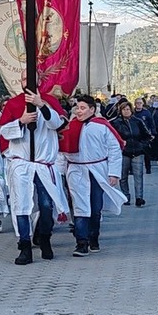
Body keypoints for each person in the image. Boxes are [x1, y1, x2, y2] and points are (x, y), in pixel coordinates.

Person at [0, 87, 69, 264]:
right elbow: (4, 131)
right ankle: (25, 247)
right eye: (23, 78)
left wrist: (41, 105)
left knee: (46, 205)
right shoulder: (14, 103)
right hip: (22, 165)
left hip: (43, 164)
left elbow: (58, 124)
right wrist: (21, 121)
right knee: (21, 206)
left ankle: (44, 238)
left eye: (29, 77)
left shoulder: (49, 101)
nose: (26, 81)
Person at [60, 95, 126, 256]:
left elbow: (114, 149)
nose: (78, 111)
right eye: (77, 108)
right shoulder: (69, 127)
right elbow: (61, 151)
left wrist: (113, 173)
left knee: (95, 207)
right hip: (76, 170)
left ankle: (93, 236)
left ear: (92, 109)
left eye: (82, 108)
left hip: (97, 170)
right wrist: (60, 172)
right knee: (79, 206)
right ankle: (81, 242)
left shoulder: (102, 126)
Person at [110, 101, 152, 207]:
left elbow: (147, 136)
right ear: (120, 111)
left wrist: (142, 145)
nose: (126, 111)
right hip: (124, 152)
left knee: (138, 175)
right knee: (123, 176)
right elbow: (111, 137)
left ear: (131, 110)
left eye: (128, 109)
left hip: (137, 151)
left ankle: (139, 197)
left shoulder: (138, 121)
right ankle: (125, 197)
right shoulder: (116, 123)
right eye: (124, 109)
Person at [133, 98, 156, 174]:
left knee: (147, 153)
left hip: (144, 135)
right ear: (135, 104)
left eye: (140, 103)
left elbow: (151, 124)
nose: (139, 104)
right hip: (135, 135)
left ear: (143, 104)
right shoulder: (132, 113)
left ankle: (148, 168)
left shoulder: (146, 113)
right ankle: (132, 169)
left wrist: (153, 133)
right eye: (137, 103)